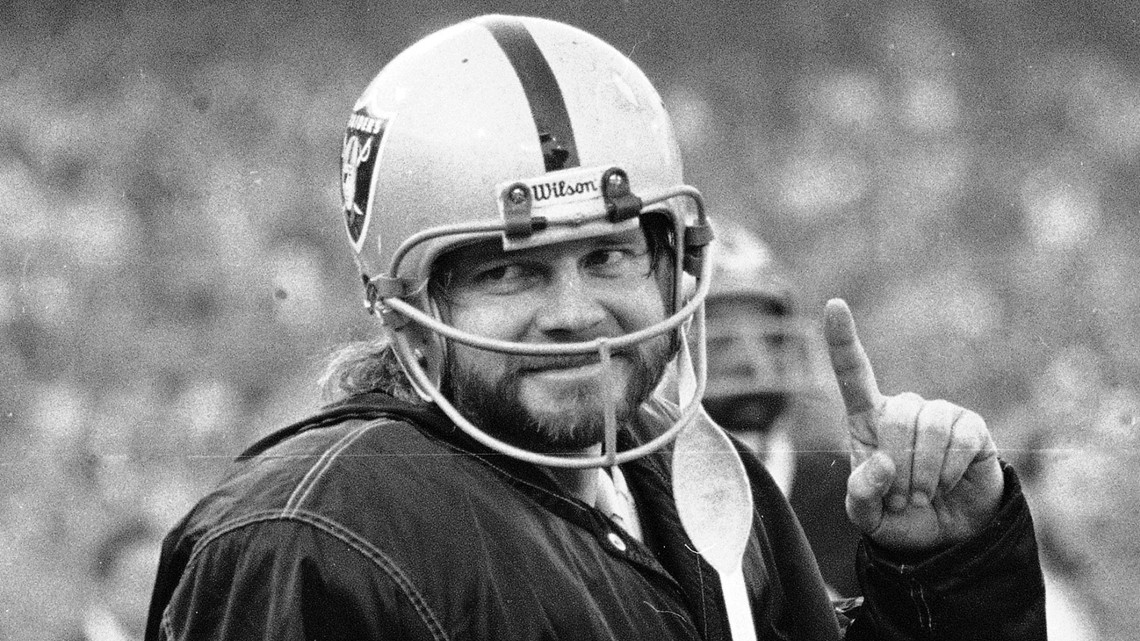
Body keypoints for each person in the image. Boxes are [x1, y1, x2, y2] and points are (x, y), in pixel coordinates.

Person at [145, 14, 1045, 640]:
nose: (575, 312)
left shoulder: (691, 467)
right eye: (508, 269)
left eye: (609, 255)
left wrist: (939, 578)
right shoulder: (309, 539)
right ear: (410, 306)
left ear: (670, 259)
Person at [701, 220, 861, 598]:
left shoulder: (849, 491)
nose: (752, 365)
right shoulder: (638, 495)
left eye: (767, 336)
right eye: (722, 337)